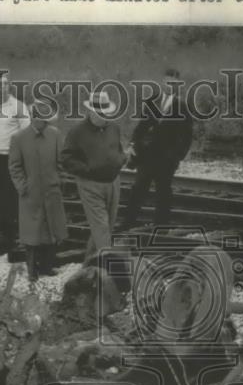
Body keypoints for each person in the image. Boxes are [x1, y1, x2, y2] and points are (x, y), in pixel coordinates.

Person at [120, 67, 193, 228]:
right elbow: (141, 126)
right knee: (138, 190)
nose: (170, 86)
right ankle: (127, 224)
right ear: (162, 82)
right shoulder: (152, 102)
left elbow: (187, 136)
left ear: (178, 85)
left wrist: (176, 157)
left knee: (163, 194)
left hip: (166, 159)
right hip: (147, 156)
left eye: (174, 84)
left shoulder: (182, 106)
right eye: (168, 82)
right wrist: (133, 144)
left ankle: (161, 227)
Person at [60, 90, 127, 260]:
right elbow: (66, 158)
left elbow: (118, 149)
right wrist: (86, 170)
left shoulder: (114, 128)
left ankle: (89, 262)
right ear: (90, 111)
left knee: (107, 226)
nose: (102, 117)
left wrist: (120, 160)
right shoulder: (77, 132)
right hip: (90, 185)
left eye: (105, 113)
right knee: (101, 227)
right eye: (99, 113)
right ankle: (108, 267)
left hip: (113, 182)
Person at [9, 103, 68, 281]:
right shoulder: (19, 138)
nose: (46, 122)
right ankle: (32, 271)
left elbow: (61, 162)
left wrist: (59, 181)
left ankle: (47, 267)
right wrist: (23, 187)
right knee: (32, 234)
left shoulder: (55, 135)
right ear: (34, 117)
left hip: (51, 191)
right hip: (31, 193)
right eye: (43, 119)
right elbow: (14, 167)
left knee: (51, 230)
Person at [0, 77, 32, 261]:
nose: (1, 88)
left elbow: (26, 134)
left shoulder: (19, 107)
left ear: (9, 87)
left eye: (4, 84)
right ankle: (6, 236)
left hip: (15, 158)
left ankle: (22, 237)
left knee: (17, 196)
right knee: (1, 198)